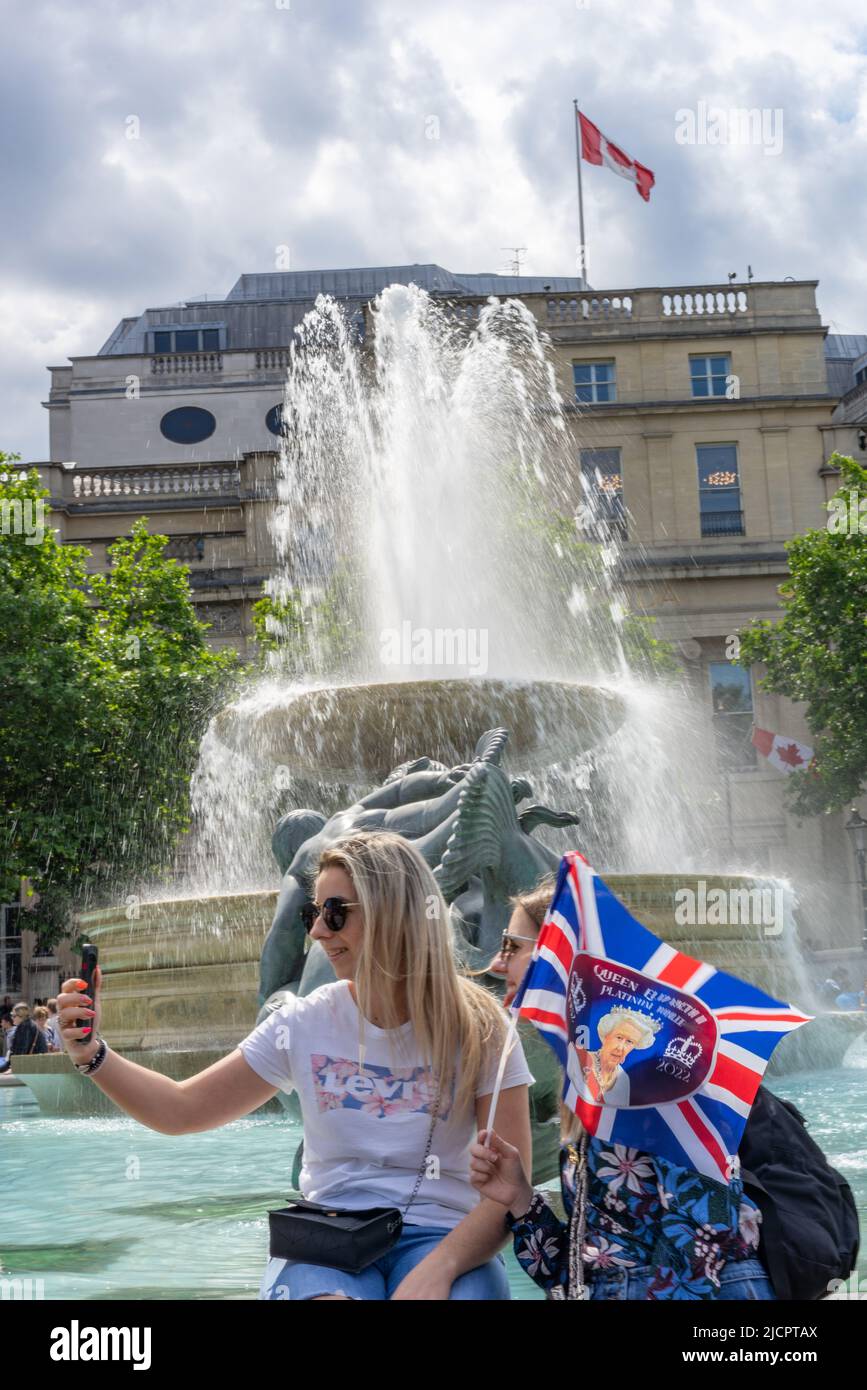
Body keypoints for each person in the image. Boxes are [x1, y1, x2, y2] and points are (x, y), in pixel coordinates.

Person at [56, 830, 533, 1301]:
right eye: (313, 913)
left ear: (394, 912)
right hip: (329, 1237)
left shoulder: (483, 1030)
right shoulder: (303, 1022)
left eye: (335, 913)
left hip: (446, 1239)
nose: (317, 931)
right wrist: (93, 1055)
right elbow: (181, 1109)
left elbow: (510, 1194)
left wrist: (440, 1269)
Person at [469, 878, 774, 1301]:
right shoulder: (592, 1079)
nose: (498, 964)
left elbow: (702, 1241)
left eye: (512, 945)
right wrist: (519, 1196)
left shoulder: (661, 1070)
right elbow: (576, 1274)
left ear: (559, 957)